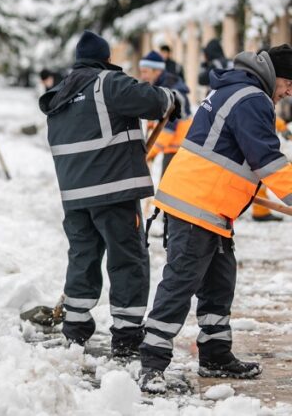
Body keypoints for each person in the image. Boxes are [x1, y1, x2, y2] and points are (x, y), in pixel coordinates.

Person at [138, 45, 292, 393]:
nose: (287, 92)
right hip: (198, 205)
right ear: (273, 75)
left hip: (213, 207)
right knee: (180, 284)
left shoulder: (235, 89)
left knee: (219, 285)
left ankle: (215, 354)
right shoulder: (252, 98)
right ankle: (151, 363)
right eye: (287, 83)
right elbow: (267, 160)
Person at [38, 30, 180, 358]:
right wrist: (173, 100)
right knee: (127, 259)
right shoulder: (107, 83)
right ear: (106, 59)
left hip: (75, 195)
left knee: (83, 257)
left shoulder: (59, 95)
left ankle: (75, 328)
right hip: (114, 191)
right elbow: (154, 101)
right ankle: (127, 335)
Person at [138, 51, 192, 174]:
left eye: (145, 72)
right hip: (172, 148)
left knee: (168, 190)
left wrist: (148, 154)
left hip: (179, 150)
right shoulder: (159, 89)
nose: (142, 76)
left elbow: (169, 127)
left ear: (157, 71)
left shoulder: (172, 93)